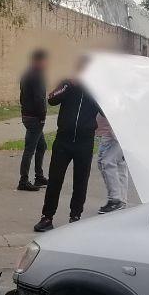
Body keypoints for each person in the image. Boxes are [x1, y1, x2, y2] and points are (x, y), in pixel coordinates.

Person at [33, 57, 100, 232]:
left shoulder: (97, 89)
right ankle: (47, 217)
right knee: (55, 179)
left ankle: (75, 217)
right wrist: (68, 85)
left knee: (80, 181)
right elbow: (51, 99)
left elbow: (106, 111)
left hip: (85, 142)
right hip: (63, 140)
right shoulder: (67, 84)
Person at [16, 49, 49, 191]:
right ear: (39, 61)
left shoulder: (26, 73)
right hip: (35, 117)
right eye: (45, 60)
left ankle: (39, 177)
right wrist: (42, 116)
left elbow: (23, 96)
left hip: (28, 115)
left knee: (41, 146)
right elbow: (39, 98)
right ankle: (23, 181)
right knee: (30, 149)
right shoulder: (37, 75)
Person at [95, 113, 129, 213]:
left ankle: (115, 200)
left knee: (106, 163)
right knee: (119, 165)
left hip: (111, 135)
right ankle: (121, 199)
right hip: (114, 134)